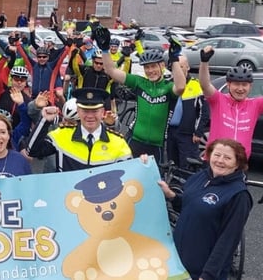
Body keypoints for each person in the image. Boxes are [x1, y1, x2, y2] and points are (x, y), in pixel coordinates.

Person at [158, 138, 252, 280]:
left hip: (203, 271)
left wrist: (208, 275)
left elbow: (228, 241)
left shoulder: (238, 195)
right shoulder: (201, 177)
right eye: (217, 155)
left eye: (227, 158)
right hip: (179, 262)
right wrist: (171, 195)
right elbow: (189, 207)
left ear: (237, 163)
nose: (220, 161)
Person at [96, 26, 185, 159]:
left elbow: (181, 87)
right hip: (134, 140)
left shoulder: (167, 87)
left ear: (162, 66)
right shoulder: (140, 82)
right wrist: (105, 50)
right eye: (147, 67)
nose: (150, 71)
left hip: (157, 145)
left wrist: (175, 59)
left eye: (153, 66)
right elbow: (111, 71)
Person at [26, 87, 132, 172]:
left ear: (102, 112)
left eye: (95, 111)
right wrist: (44, 121)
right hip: (67, 197)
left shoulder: (118, 143)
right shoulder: (62, 135)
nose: (90, 116)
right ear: (78, 111)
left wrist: (144, 164)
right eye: (85, 111)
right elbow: (32, 151)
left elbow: (130, 175)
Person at [198, 46, 263, 158]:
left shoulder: (255, 104)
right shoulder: (218, 100)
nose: (240, 88)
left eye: (244, 85)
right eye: (236, 84)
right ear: (228, 85)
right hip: (215, 162)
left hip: (239, 163)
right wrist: (204, 62)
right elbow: (205, 84)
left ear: (250, 86)